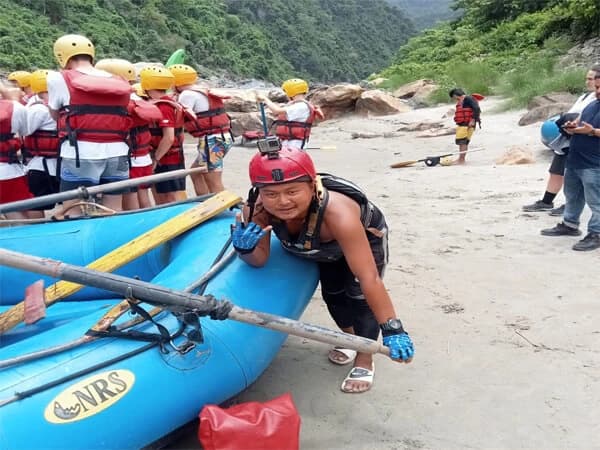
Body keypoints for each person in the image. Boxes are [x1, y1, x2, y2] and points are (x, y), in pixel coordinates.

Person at [231, 144, 414, 393]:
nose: (283, 202)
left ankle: (365, 356)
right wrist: (245, 249)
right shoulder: (257, 210)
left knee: (359, 297)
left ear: (311, 184)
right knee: (333, 296)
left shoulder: (338, 213)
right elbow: (259, 260)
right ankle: (349, 339)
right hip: (318, 245)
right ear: (259, 192)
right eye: (271, 194)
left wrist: (393, 328)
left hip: (360, 239)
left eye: (292, 191)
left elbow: (369, 277)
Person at [47, 34, 132, 216]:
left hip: (80, 153)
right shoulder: (118, 80)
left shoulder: (58, 78)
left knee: (74, 210)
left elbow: (55, 115)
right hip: (118, 153)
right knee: (114, 209)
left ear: (61, 55)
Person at [523, 64, 600, 214]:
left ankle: (576, 213)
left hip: (586, 145)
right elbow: (578, 115)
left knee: (584, 178)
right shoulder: (585, 97)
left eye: (591, 79)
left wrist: (590, 131)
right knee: (557, 171)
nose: (588, 82)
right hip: (568, 139)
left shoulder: (595, 101)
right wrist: (570, 125)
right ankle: (548, 202)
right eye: (588, 79)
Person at [541, 72, 600, 251]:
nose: (597, 91)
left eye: (599, 87)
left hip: (595, 162)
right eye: (596, 87)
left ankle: (596, 233)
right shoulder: (592, 105)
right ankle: (570, 224)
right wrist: (573, 127)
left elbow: (592, 130)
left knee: (596, 200)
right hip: (576, 158)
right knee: (572, 195)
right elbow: (581, 123)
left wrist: (592, 132)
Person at [95, 59, 160, 210]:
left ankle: (136, 227)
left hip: (131, 159)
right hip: (143, 158)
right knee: (143, 196)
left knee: (130, 197)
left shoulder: (120, 101)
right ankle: (148, 223)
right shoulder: (137, 98)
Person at [172, 64, 232, 195]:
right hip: (223, 137)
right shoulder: (202, 90)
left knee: (213, 180)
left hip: (212, 141)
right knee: (196, 172)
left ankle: (227, 208)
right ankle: (204, 201)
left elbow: (180, 117)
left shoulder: (186, 94)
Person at [140, 66, 186, 205]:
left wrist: (156, 158)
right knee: (159, 192)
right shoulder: (171, 103)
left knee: (168, 196)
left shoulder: (164, 107)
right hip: (171, 155)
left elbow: (169, 137)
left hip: (166, 158)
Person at [23, 69, 60, 219]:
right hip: (61, 163)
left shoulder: (38, 109)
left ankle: (36, 231)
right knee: (66, 202)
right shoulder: (63, 103)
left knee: (35, 203)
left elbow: (24, 129)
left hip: (41, 167)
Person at [256, 78, 323, 149]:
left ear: (291, 91)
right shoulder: (294, 104)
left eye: (286, 92)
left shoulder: (301, 106)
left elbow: (276, 111)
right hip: (287, 143)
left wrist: (265, 99)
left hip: (295, 145)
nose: (286, 94)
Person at [0, 85, 33, 219]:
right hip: (7, 170)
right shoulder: (16, 107)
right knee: (16, 212)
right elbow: (26, 132)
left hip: (7, 169)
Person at [449, 87, 481, 164]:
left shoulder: (468, 99)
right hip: (464, 125)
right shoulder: (464, 100)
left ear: (455, 95)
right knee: (462, 142)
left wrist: (472, 120)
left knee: (462, 142)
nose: (454, 100)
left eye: (453, 98)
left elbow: (476, 109)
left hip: (466, 124)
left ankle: (461, 160)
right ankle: (461, 159)